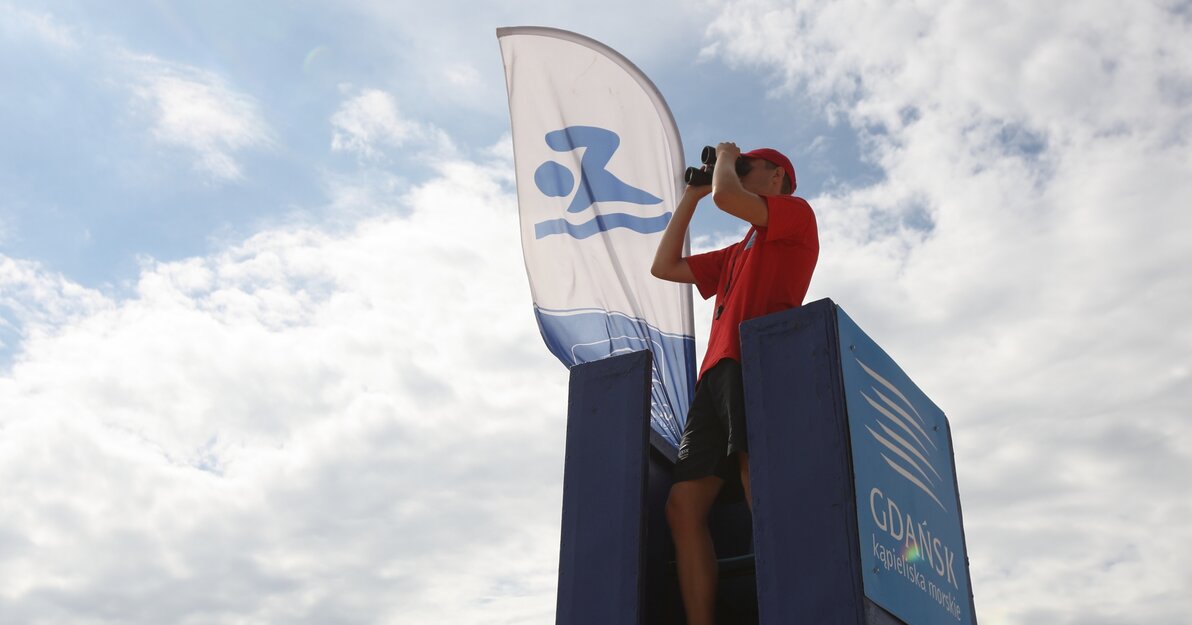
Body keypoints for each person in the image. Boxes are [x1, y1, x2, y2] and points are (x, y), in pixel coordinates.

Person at [650, 142, 819, 625]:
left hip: (756, 360)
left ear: (777, 177)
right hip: (714, 376)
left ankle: (785, 609)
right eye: (737, 166)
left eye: (750, 167)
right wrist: (692, 196)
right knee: (682, 507)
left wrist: (726, 155)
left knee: (755, 481)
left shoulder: (795, 215)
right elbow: (664, 266)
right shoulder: (738, 249)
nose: (738, 173)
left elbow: (728, 196)